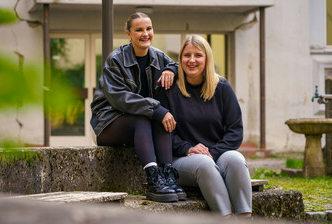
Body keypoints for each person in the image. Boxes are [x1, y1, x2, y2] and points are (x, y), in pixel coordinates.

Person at [90, 12, 186, 203]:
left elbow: (177, 64)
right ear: (129, 34)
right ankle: (153, 179)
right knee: (147, 116)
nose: (145, 33)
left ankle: (166, 175)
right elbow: (119, 98)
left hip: (139, 124)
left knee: (159, 116)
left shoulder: (159, 56)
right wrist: (158, 110)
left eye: (148, 29)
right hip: (107, 123)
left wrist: (170, 69)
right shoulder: (116, 60)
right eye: (139, 30)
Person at [160, 34, 252, 218]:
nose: (192, 60)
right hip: (182, 158)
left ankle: (245, 218)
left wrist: (213, 152)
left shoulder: (222, 87)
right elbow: (163, 132)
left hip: (216, 154)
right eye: (187, 55)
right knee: (204, 163)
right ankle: (224, 219)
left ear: (207, 58)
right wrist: (187, 148)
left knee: (235, 159)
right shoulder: (168, 89)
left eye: (198, 55)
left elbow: (235, 130)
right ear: (180, 60)